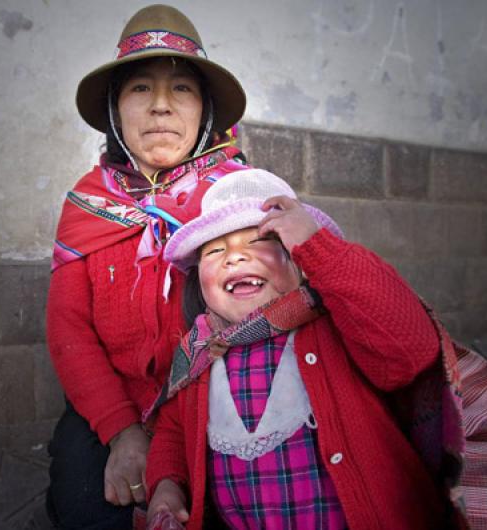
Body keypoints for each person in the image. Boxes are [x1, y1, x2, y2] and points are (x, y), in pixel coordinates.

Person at [143, 168, 463, 529]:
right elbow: (174, 431)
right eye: (215, 251)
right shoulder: (199, 352)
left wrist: (319, 248)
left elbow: (409, 353)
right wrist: (166, 486)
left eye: (258, 241)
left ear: (299, 259)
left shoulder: (338, 324)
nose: (233, 258)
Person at [45, 5, 249, 529]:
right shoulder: (86, 205)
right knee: (84, 511)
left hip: (219, 411)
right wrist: (122, 431)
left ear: (205, 110)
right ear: (115, 109)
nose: (160, 106)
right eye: (140, 88)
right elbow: (70, 329)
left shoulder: (240, 199)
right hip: (115, 411)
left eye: (181, 89)